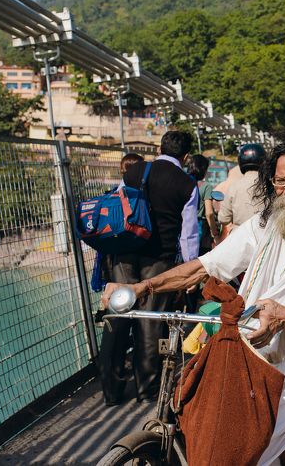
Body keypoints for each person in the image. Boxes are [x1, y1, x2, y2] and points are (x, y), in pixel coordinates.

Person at [103, 133, 285, 464]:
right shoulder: (263, 224)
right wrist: (144, 288)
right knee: (244, 454)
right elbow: (204, 266)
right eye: (280, 181)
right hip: (273, 367)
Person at [97, 130, 200, 405]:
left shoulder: (136, 170)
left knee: (116, 316)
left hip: (125, 253)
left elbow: (117, 208)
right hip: (160, 260)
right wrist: (189, 272)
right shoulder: (187, 184)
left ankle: (111, 389)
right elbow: (189, 234)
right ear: (186, 156)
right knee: (149, 321)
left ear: (159, 148)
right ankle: (147, 391)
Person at [217, 143, 266, 234]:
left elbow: (223, 219)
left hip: (239, 237)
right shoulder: (270, 185)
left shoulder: (234, 187)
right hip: (264, 236)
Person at [186, 154, 220, 254]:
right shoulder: (206, 186)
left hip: (185, 225)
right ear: (203, 169)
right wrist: (215, 234)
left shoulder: (183, 182)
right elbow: (209, 213)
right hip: (200, 229)